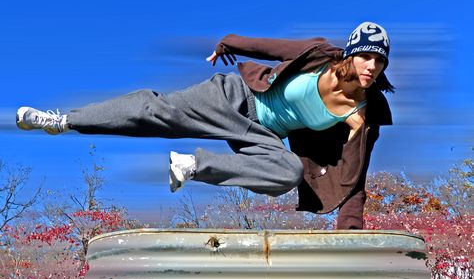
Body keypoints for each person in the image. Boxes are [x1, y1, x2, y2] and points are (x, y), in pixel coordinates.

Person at [16, 21, 394, 229]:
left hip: (260, 133)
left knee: (289, 172)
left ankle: (192, 166)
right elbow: (272, 48)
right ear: (351, 54)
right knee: (157, 111)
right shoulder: (320, 57)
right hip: (236, 97)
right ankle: (63, 120)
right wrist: (230, 43)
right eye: (366, 58)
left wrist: (351, 233)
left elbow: (354, 179)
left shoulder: (363, 116)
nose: (371, 68)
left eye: (379, 64)